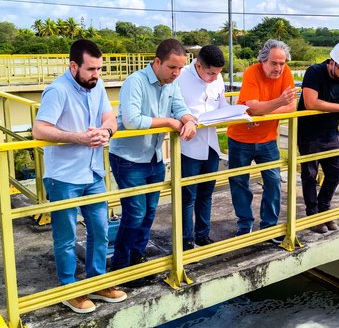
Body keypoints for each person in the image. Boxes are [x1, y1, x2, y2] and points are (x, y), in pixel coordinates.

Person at [32, 39, 127, 314]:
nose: (96, 74)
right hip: (64, 176)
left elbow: (110, 119)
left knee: (100, 230)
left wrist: (106, 132)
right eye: (90, 69)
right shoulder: (57, 91)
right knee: (66, 236)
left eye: (99, 69)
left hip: (93, 172)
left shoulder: (97, 86)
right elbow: (39, 129)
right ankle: (69, 289)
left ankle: (97, 282)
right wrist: (78, 138)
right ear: (73, 66)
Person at [109, 38, 197, 284]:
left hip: (154, 157)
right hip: (128, 159)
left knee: (148, 212)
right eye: (172, 67)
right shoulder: (135, 82)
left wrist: (189, 120)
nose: (176, 73)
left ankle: (136, 258)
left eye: (180, 68)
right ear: (157, 62)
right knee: (135, 213)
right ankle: (121, 267)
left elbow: (180, 107)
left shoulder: (171, 84)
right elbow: (132, 120)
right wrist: (169, 121)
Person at [227, 39, 297, 240]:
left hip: (268, 139)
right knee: (239, 182)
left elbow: (291, 107)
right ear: (263, 60)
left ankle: (269, 227)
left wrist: (262, 113)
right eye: (274, 63)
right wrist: (277, 103)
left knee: (274, 182)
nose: (278, 68)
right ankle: (244, 224)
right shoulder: (252, 72)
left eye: (282, 63)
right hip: (240, 139)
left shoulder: (286, 72)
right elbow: (253, 106)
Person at [297, 40, 339, 234]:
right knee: (310, 175)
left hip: (330, 131)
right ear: (332, 62)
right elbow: (311, 102)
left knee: (336, 172)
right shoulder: (314, 72)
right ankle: (313, 215)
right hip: (309, 132)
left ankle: (324, 209)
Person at [177, 45, 228, 250]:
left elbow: (222, 105)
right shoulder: (181, 77)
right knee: (188, 195)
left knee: (206, 192)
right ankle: (186, 240)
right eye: (211, 74)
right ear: (198, 66)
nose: (214, 78)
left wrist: (240, 114)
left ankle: (202, 235)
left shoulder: (217, 78)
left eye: (218, 74)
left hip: (211, 145)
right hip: (188, 146)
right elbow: (174, 109)